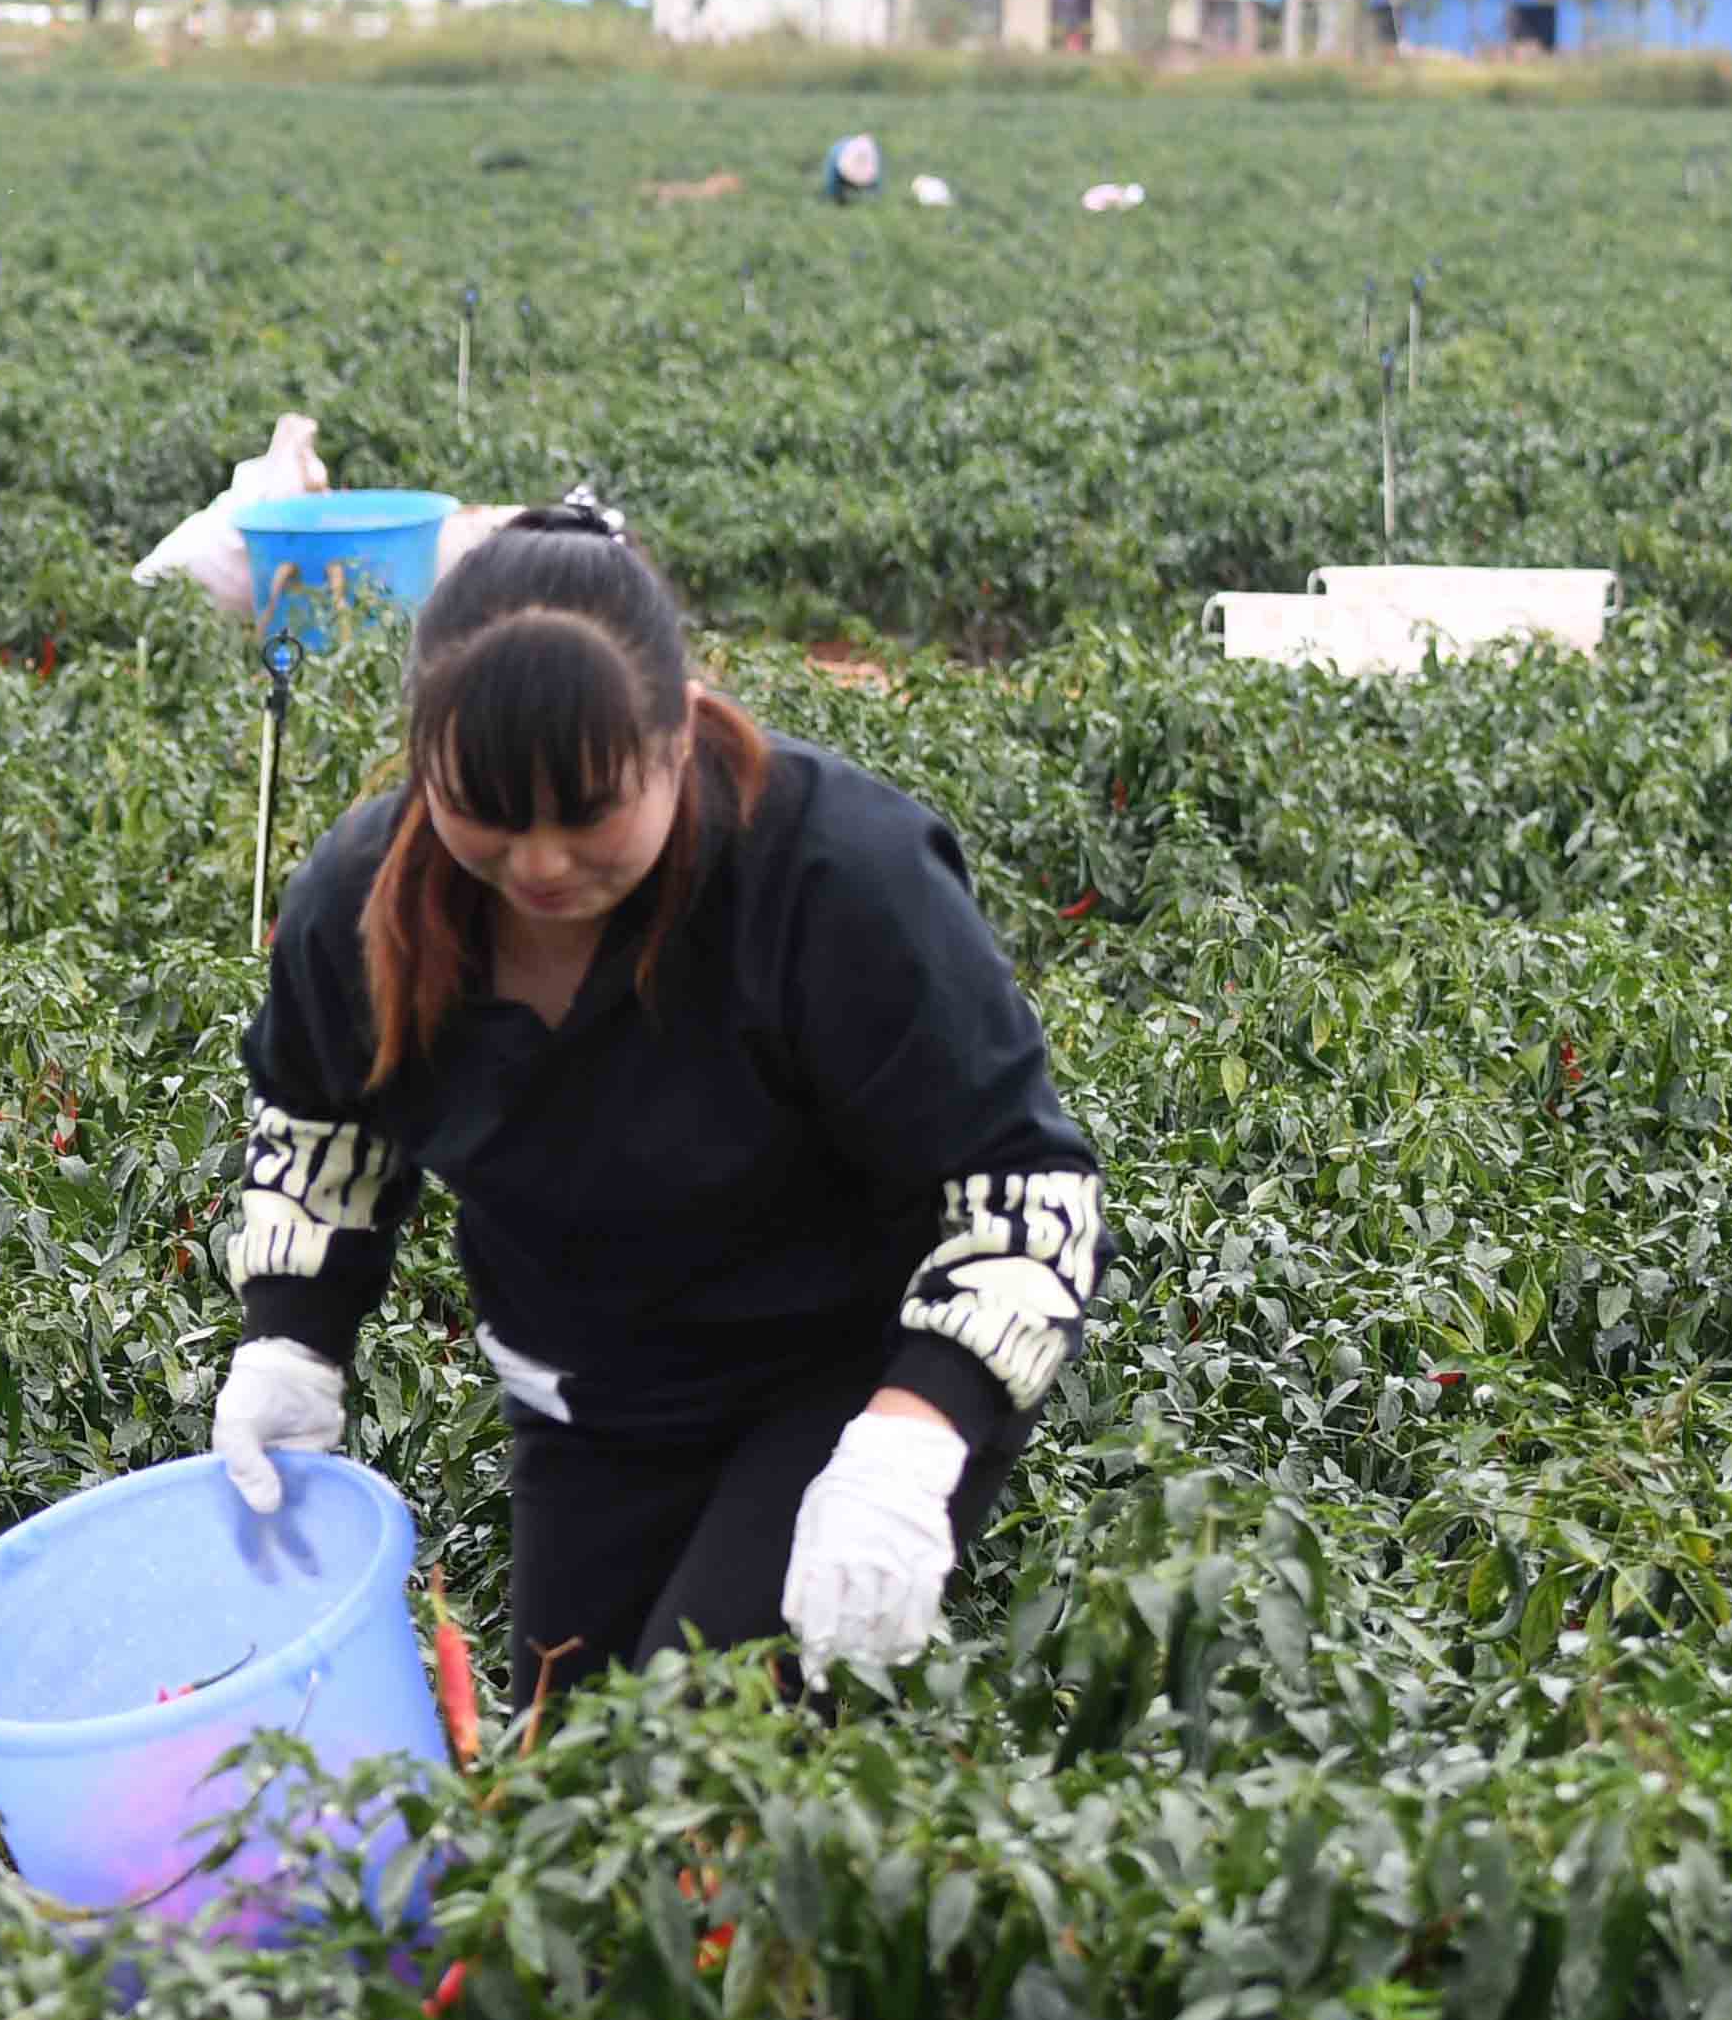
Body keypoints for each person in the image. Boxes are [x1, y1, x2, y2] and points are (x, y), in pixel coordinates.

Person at [210, 494, 1097, 1707]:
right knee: (564, 1767)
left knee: (693, 1761)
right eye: (486, 814)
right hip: (587, 1397)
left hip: (839, 1381)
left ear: (677, 737)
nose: (537, 866)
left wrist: (911, 1438)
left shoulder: (836, 878)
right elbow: (320, 1124)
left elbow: (1023, 1188)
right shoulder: (363, 902)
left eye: (586, 814)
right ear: (424, 765)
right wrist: (291, 1337)